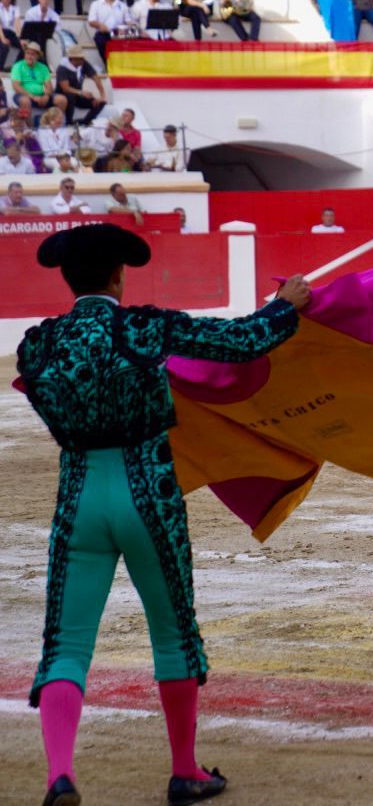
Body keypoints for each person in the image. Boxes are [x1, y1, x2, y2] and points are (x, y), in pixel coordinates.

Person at [17, 223, 310, 806]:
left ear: (68, 278)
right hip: (148, 493)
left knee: (67, 644)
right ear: (119, 276)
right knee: (173, 632)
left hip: (78, 498)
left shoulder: (37, 344)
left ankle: (59, 776)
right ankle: (184, 772)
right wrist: (285, 309)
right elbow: (240, 344)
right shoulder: (143, 326)